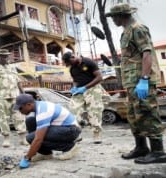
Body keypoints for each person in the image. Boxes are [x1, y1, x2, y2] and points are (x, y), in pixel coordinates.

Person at [106, 3, 166, 164]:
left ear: (121, 15)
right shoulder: (126, 31)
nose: (113, 20)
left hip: (141, 80)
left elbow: (147, 54)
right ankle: (141, 148)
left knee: (148, 113)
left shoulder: (138, 28)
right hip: (132, 82)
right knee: (133, 116)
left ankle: (158, 152)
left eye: (113, 17)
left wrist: (144, 79)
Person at [13, 94, 81, 169]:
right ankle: (45, 153)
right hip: (64, 128)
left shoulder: (43, 111)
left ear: (29, 105)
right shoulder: (39, 106)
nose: (20, 111)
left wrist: (27, 158)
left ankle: (69, 147)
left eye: (21, 108)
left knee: (30, 138)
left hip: (71, 130)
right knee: (30, 121)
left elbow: (38, 139)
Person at [62, 52, 104, 144]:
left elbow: (99, 77)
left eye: (70, 63)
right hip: (79, 90)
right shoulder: (72, 68)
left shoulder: (88, 62)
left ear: (73, 57)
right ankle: (76, 134)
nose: (69, 65)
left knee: (94, 111)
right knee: (73, 111)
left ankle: (97, 134)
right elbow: (75, 80)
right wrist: (74, 87)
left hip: (93, 88)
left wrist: (85, 88)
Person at [0, 49, 27, 147]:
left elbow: (18, 82)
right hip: (2, 97)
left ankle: (23, 139)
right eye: (4, 56)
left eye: (7, 56)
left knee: (19, 117)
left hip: (15, 97)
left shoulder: (12, 68)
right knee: (3, 119)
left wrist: (24, 94)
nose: (6, 58)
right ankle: (6, 139)